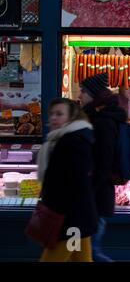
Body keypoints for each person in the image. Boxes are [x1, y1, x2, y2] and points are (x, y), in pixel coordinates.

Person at [38, 98, 97, 262]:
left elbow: (76, 184)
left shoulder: (72, 142)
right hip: (76, 218)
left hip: (69, 221)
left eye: (59, 114)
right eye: (52, 114)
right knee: (82, 260)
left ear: (72, 118)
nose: (54, 118)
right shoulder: (65, 139)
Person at [78, 73, 127, 262]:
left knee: (90, 251)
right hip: (95, 195)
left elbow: (103, 162)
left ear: (92, 94)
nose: (80, 95)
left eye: (83, 91)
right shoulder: (98, 117)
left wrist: (89, 190)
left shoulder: (102, 121)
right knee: (87, 250)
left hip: (96, 196)